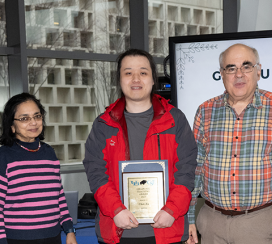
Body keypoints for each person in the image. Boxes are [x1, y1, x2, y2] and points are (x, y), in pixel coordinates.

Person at [186, 43, 272, 244]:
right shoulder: (205, 111)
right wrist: (189, 217)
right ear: (222, 73)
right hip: (211, 222)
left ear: (258, 71)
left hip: (258, 223)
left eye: (246, 66)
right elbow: (195, 169)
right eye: (231, 68)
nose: (239, 74)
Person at [83, 49, 197, 244]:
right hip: (117, 230)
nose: (136, 79)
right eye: (128, 73)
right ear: (120, 80)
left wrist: (172, 210)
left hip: (167, 229)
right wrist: (116, 210)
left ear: (153, 79)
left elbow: (186, 170)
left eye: (143, 72)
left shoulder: (175, 119)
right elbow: (96, 172)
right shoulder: (103, 124)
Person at [0, 93, 77, 244]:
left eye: (37, 116)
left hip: (53, 238)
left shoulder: (50, 153)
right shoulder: (2, 157)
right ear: (12, 126)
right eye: (24, 118)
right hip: (17, 240)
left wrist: (69, 230)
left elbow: (59, 197)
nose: (33, 122)